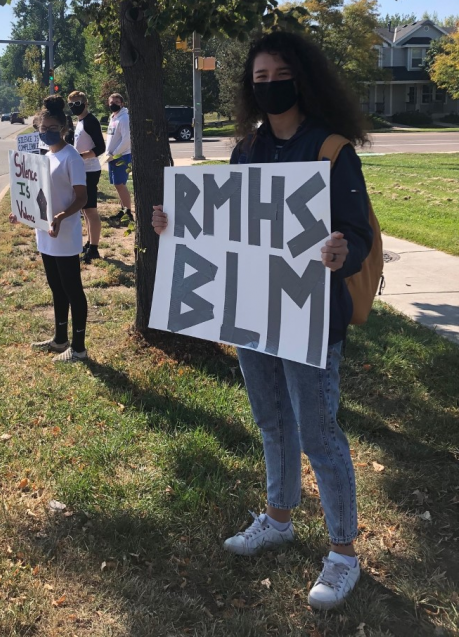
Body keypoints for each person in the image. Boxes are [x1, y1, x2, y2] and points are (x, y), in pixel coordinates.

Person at [151, 31, 373, 611]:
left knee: (318, 432)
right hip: (253, 312)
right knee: (272, 420)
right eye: (259, 78)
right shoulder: (246, 150)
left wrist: (339, 248)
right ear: (248, 88)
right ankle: (278, 516)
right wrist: (173, 225)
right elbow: (221, 228)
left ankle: (344, 552)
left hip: (310, 316)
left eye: (280, 75)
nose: (270, 86)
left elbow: (357, 229)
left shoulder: (330, 149)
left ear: (302, 77)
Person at [10, 95, 89, 363]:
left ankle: (79, 347)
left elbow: (82, 198)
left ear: (64, 128)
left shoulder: (72, 157)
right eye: (42, 129)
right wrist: (21, 211)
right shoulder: (43, 158)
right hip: (45, 233)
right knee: (56, 288)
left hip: (64, 235)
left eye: (51, 129)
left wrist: (62, 216)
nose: (46, 134)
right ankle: (60, 339)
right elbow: (35, 193)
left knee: (72, 290)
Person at [68, 90, 106, 263]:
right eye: (71, 105)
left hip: (90, 170)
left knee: (90, 209)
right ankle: (90, 243)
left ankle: (95, 248)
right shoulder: (80, 121)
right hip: (82, 170)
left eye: (77, 103)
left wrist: (80, 156)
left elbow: (101, 148)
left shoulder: (90, 121)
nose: (75, 107)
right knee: (84, 209)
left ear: (85, 103)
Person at [103, 92, 133, 221]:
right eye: (111, 102)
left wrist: (114, 154)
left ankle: (128, 213)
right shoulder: (113, 118)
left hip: (121, 156)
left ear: (122, 103)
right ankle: (123, 210)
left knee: (120, 184)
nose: (113, 104)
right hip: (111, 156)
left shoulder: (124, 118)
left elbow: (127, 140)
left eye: (116, 102)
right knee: (117, 185)